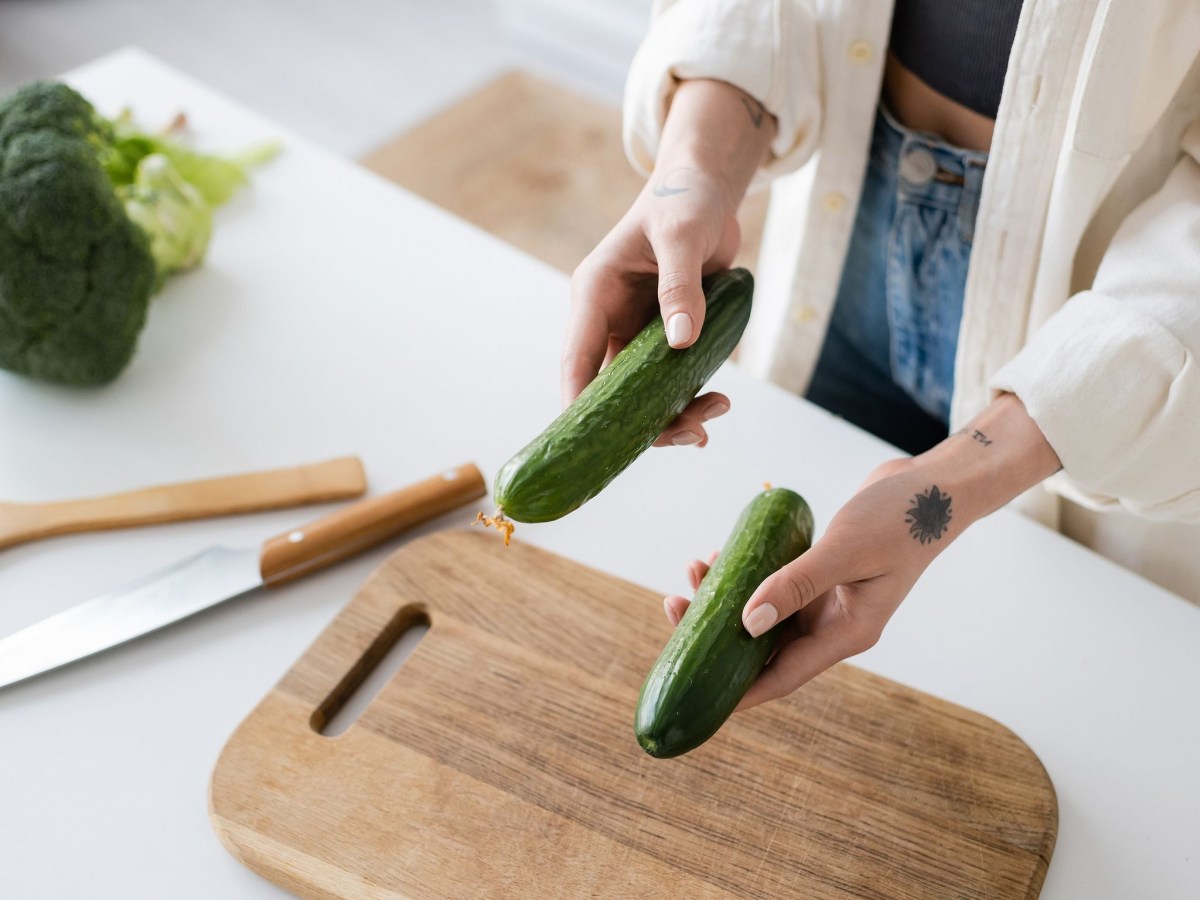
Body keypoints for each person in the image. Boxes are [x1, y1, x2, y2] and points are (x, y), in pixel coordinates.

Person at [563, 0, 1200, 708]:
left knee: (1037, 677)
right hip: (847, 238)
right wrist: (693, 174)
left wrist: (958, 480)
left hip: (1111, 343)